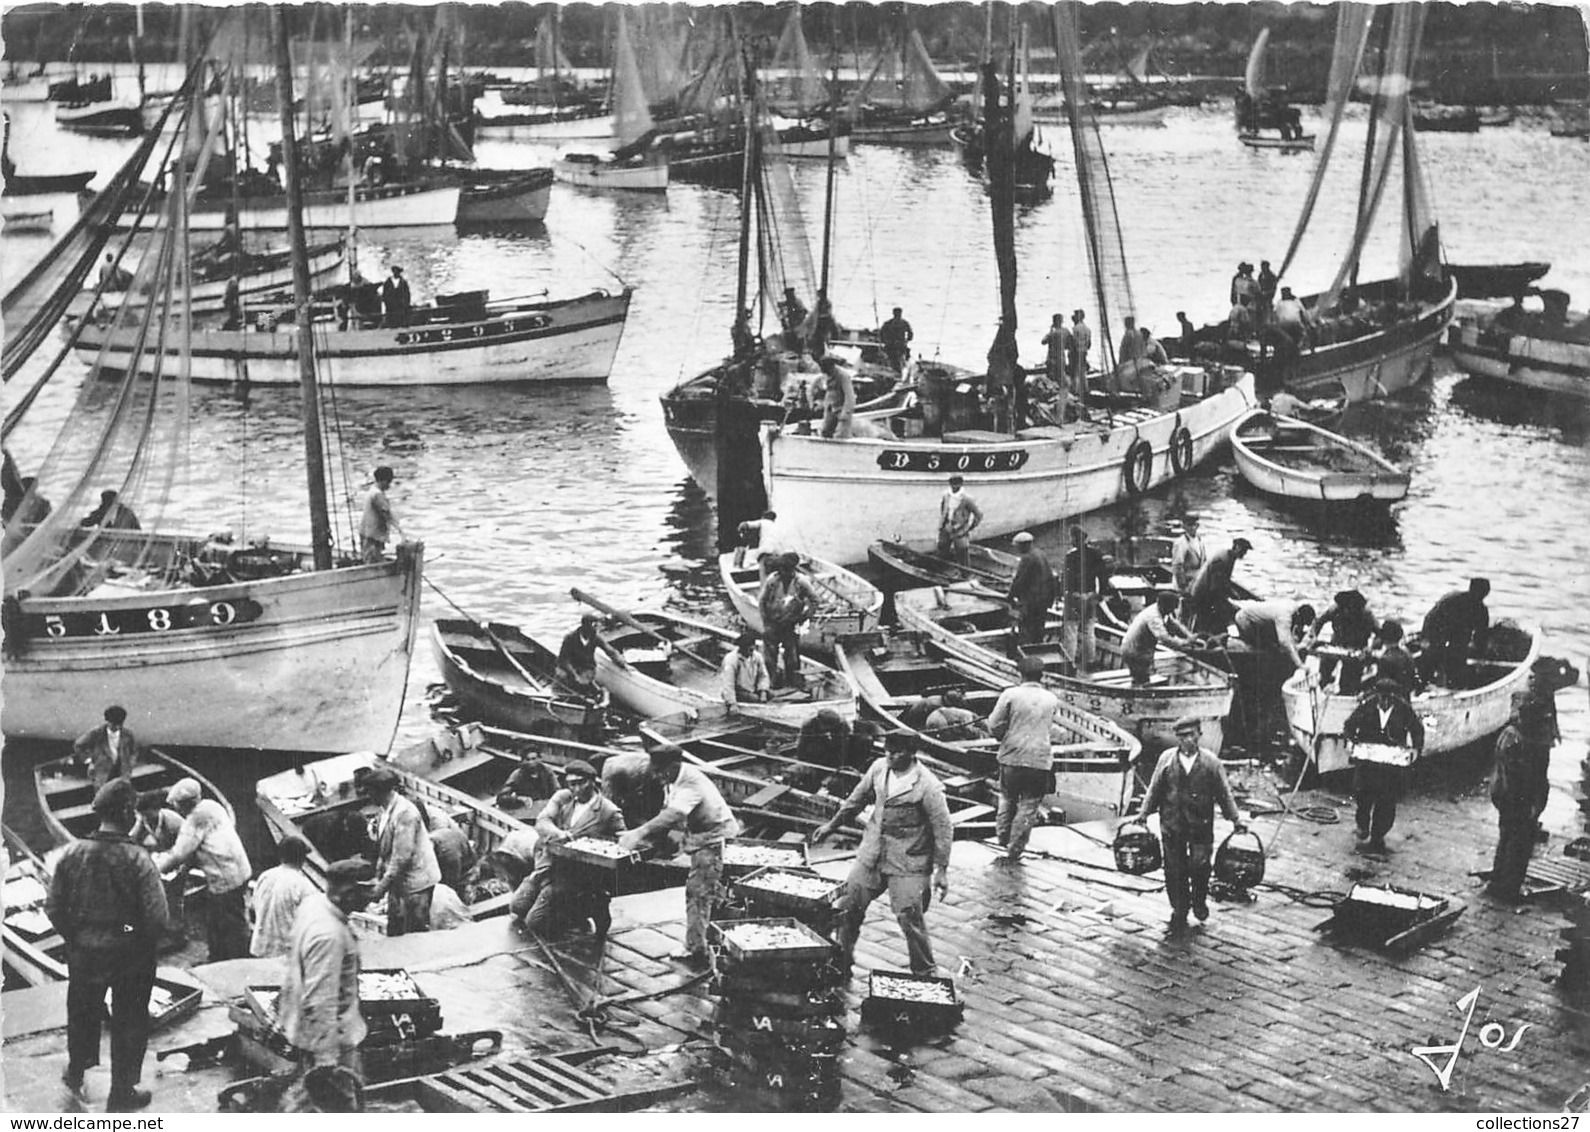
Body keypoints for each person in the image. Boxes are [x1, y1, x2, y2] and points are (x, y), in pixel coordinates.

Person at [46, 779, 167, 1112]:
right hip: (131, 956)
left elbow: (53, 908)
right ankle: (122, 1091)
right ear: (127, 811)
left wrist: (78, 937)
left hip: (84, 952)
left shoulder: (71, 854)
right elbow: (156, 919)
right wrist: (128, 931)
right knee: (130, 1021)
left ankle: (76, 1069)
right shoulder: (138, 860)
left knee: (82, 1012)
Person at [811, 735, 952, 974]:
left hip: (909, 861)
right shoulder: (878, 769)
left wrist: (941, 870)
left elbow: (943, 828)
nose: (890, 757)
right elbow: (856, 800)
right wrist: (830, 826)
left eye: (897, 753)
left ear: (911, 753)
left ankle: (925, 972)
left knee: (909, 917)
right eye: (888, 752)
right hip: (872, 853)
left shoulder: (928, 786)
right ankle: (841, 959)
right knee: (847, 907)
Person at [618, 743, 741, 968]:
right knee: (709, 891)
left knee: (698, 892)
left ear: (674, 765)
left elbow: (674, 815)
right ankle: (707, 937)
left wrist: (639, 832)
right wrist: (653, 841)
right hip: (698, 837)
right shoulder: (674, 779)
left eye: (660, 771)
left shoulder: (690, 783)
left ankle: (695, 948)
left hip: (714, 839)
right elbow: (668, 813)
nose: (656, 776)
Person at [1137, 716, 1246, 931]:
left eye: (1191, 735)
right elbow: (1154, 790)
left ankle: (1198, 900)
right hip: (1172, 823)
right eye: (1182, 736)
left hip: (1201, 825)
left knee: (1201, 865)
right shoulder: (1167, 759)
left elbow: (1224, 794)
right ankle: (1179, 907)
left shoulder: (1211, 763)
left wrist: (1236, 820)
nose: (1187, 740)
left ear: (1199, 735)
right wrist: (1143, 815)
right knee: (1173, 868)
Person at [277, 859, 372, 1073]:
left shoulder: (314, 904)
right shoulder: (329, 936)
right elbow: (321, 998)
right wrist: (327, 1058)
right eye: (366, 892)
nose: (373, 898)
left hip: (304, 1027)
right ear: (348, 893)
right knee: (340, 1101)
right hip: (332, 1041)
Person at [518, 760, 627, 939]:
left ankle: (579, 912)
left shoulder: (609, 811)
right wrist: (559, 833)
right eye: (572, 784)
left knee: (535, 923)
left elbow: (622, 841)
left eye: (581, 783)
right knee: (518, 906)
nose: (576, 789)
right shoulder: (564, 799)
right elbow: (543, 821)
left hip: (581, 875)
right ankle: (572, 913)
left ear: (593, 782)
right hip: (551, 866)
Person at [154, 778, 252, 961]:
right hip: (240, 869)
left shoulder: (195, 819)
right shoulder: (212, 806)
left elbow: (179, 854)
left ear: (184, 804)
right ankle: (218, 956)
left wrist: (154, 869)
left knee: (227, 922)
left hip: (224, 878)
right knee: (219, 919)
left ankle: (235, 959)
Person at [987, 656, 1059, 863]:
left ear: (1020, 674)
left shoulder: (1010, 694)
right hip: (1039, 759)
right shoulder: (1051, 698)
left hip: (1012, 756)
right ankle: (1015, 848)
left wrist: (1003, 736)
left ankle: (1002, 839)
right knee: (1029, 805)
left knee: (1007, 798)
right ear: (1042, 676)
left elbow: (994, 725)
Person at [1487, 688, 1557, 901]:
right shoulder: (1524, 741)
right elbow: (1527, 777)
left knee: (1506, 839)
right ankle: (1508, 889)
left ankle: (1498, 882)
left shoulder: (1509, 734)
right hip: (1519, 800)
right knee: (1519, 845)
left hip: (1505, 797)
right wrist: (1533, 805)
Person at [1343, 678, 1424, 852]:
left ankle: (1378, 835)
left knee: (1386, 801)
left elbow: (1417, 729)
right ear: (1377, 695)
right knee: (1363, 796)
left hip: (1390, 766)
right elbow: (1349, 725)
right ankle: (1363, 826)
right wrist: (1350, 742)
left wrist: (1416, 749)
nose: (1384, 702)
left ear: (1393, 696)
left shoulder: (1403, 709)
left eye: (1388, 698)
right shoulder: (1368, 706)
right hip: (1368, 761)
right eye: (1381, 697)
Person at [363, 766, 441, 936]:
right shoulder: (385, 810)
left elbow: (401, 857)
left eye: (369, 791)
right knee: (396, 927)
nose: (367, 796)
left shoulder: (405, 814)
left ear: (379, 791)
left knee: (414, 932)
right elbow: (385, 850)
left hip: (416, 883)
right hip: (399, 880)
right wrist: (378, 877)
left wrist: (381, 887)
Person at [250, 835, 318, 959]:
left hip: (261, 946)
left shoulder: (265, 876)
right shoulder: (304, 885)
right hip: (287, 953)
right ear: (302, 859)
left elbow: (254, 906)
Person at [760, 552, 817, 688]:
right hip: (773, 623)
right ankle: (770, 683)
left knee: (792, 657)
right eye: (782, 569)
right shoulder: (772, 581)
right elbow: (762, 601)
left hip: (790, 624)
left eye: (787, 569)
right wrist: (766, 622)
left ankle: (792, 684)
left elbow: (815, 600)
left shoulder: (801, 582)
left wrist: (805, 616)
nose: (784, 572)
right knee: (770, 657)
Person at [1421, 578, 1491, 688]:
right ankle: (1425, 684)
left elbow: (1481, 636)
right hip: (1438, 632)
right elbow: (1431, 619)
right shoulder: (1452, 600)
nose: (1479, 597)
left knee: (1457, 660)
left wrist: (1480, 655)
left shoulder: (1481, 610)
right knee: (1432, 658)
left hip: (1458, 638)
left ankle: (1453, 685)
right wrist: (1427, 639)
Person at [1313, 589, 1377, 692]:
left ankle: (1347, 692)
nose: (1347, 611)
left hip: (1357, 647)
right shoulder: (1334, 610)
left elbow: (1381, 634)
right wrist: (1313, 639)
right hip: (1337, 643)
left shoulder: (1367, 615)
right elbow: (1318, 623)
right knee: (1325, 669)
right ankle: (1323, 687)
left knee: (1349, 682)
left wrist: (1370, 648)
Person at [1122, 592, 1194, 685]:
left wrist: (1189, 636)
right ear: (1165, 606)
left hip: (1143, 650)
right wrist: (1183, 643)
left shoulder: (1160, 609)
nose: (1173, 610)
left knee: (1142, 678)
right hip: (1135, 651)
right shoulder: (1153, 616)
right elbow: (1163, 638)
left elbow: (1174, 623)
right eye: (1172, 608)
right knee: (1142, 680)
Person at [1185, 537, 1251, 633]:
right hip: (1202, 595)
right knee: (1226, 613)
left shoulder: (1229, 557)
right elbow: (1215, 587)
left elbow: (1224, 581)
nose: (1244, 553)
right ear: (1236, 547)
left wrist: (1233, 593)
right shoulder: (1222, 559)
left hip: (1208, 591)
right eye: (1243, 550)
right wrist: (1229, 600)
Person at [1232, 599, 1317, 670]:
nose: (1301, 626)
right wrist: (1300, 665)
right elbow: (1284, 642)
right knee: (1270, 648)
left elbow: (1293, 633)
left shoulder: (1295, 608)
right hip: (1245, 621)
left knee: (1279, 644)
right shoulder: (1284, 616)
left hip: (1261, 623)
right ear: (1299, 616)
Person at [1006, 531, 1057, 647]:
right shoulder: (1041, 554)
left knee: (1026, 627)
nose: (1017, 549)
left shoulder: (1027, 558)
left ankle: (1026, 650)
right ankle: (1038, 649)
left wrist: (1010, 596)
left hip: (1032, 600)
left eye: (1017, 546)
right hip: (1044, 599)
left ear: (1023, 545)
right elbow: (1051, 577)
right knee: (1039, 627)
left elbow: (1019, 580)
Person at [555, 612, 625, 697]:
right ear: (585, 626)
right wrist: (574, 674)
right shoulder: (570, 638)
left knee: (585, 680)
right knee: (563, 676)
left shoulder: (595, 637)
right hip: (570, 667)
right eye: (594, 626)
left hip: (586, 667)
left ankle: (588, 690)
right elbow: (563, 660)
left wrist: (620, 662)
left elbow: (609, 650)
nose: (596, 629)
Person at [73, 705, 138, 790]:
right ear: (108, 721)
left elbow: (134, 751)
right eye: (113, 724)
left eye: (119, 724)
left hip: (122, 772)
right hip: (102, 773)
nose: (116, 727)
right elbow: (78, 745)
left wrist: (130, 764)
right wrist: (89, 759)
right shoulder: (96, 733)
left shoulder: (128, 735)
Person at [358, 466, 404, 564]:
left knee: (371, 558)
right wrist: (399, 530)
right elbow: (386, 512)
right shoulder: (377, 495)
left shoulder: (372, 491)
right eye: (389, 482)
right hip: (372, 534)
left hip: (368, 532)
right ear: (384, 481)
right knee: (372, 560)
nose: (389, 485)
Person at [937, 475, 983, 568]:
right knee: (942, 549)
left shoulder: (967, 499)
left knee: (962, 552)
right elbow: (943, 508)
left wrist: (970, 527)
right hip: (946, 527)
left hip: (960, 530)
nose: (954, 487)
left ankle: (965, 574)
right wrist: (943, 523)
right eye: (952, 484)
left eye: (956, 485)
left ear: (961, 485)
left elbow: (978, 514)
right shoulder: (946, 495)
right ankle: (941, 570)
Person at [736, 509, 794, 581]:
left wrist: (741, 531)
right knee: (778, 576)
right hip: (779, 553)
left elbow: (745, 525)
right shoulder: (778, 526)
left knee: (764, 577)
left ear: (763, 517)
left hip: (766, 552)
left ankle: (764, 589)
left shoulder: (763, 522)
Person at [1366, 619, 1418, 696]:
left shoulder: (1385, 659)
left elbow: (1380, 685)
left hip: (1393, 698)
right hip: (1406, 694)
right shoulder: (1406, 653)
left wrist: (1365, 694)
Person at [720, 629, 772, 705]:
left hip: (752, 688)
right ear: (742, 647)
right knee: (755, 699)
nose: (752, 648)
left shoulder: (757, 657)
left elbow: (763, 676)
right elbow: (728, 684)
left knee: (771, 695)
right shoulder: (731, 659)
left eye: (753, 645)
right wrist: (732, 703)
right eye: (749, 646)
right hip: (738, 691)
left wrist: (763, 691)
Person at [1040, 312, 1076, 422]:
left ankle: (1056, 405)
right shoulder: (1066, 331)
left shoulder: (1053, 333)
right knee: (1062, 381)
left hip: (1051, 359)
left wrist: (1050, 331)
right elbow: (1070, 345)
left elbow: (1043, 342)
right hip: (1061, 359)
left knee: (1052, 382)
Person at [818, 355, 855, 439]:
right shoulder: (827, 375)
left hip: (841, 409)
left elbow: (850, 396)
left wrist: (846, 412)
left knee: (841, 435)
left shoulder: (843, 376)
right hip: (831, 409)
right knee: (825, 433)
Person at [1169, 516, 1207, 597]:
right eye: (1189, 525)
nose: (1192, 528)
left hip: (1196, 582)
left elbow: (1204, 561)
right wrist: (1183, 587)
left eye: (1194, 525)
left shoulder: (1200, 540)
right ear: (1184, 527)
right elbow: (1177, 567)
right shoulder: (1181, 543)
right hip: (1184, 584)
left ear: (1197, 526)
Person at [879, 306, 914, 374]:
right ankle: (898, 371)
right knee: (897, 359)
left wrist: (884, 341)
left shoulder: (889, 323)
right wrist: (907, 340)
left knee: (894, 359)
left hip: (893, 345)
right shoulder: (904, 323)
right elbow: (910, 334)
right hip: (896, 345)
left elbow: (881, 333)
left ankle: (897, 371)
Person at [1068, 309, 1091, 394]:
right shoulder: (1087, 329)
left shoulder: (1075, 328)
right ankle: (1085, 389)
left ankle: (1075, 391)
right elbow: (1089, 344)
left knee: (1075, 372)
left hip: (1076, 351)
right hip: (1084, 351)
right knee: (1083, 371)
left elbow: (1073, 342)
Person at [1256, 260, 1278, 325]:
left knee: (1268, 311)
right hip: (1261, 298)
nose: (1262, 268)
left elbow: (1274, 289)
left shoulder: (1272, 276)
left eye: (1263, 267)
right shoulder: (1260, 275)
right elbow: (1259, 285)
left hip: (1268, 297)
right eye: (1261, 267)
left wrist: (1267, 293)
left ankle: (1268, 323)